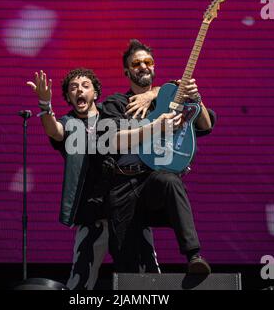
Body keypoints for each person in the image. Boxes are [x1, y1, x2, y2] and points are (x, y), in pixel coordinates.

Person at [26, 68, 160, 290]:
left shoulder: (113, 116)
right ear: (69, 97)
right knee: (80, 281)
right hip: (93, 214)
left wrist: (153, 96)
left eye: (85, 85)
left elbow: (154, 96)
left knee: (147, 280)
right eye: (73, 88)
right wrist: (44, 104)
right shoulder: (69, 123)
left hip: (129, 210)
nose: (79, 90)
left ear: (96, 94)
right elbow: (54, 131)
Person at [101, 39, 217, 274]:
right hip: (123, 185)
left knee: (170, 181)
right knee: (127, 267)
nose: (143, 66)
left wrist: (197, 99)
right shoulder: (116, 103)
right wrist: (156, 127)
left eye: (148, 62)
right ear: (126, 71)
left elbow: (205, 125)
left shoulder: (168, 99)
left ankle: (194, 256)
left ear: (154, 67)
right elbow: (113, 141)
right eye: (136, 63)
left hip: (152, 181)